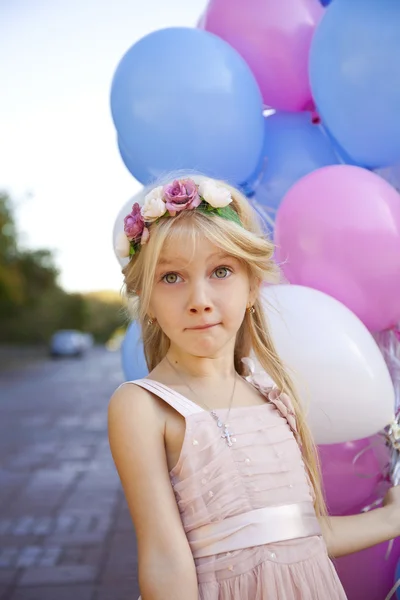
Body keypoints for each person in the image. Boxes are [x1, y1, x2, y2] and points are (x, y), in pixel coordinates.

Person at [108, 174, 400, 600]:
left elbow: (296, 536)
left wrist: (392, 519)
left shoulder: (273, 393)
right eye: (172, 277)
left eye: (221, 271)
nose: (200, 298)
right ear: (145, 297)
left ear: (252, 285)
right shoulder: (143, 406)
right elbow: (165, 559)